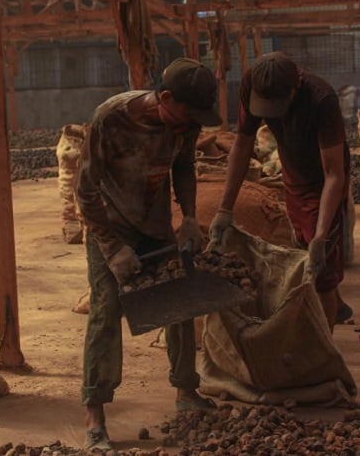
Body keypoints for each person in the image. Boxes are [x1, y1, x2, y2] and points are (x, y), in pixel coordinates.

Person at [76, 58, 220, 451]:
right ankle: (95, 415)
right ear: (166, 97)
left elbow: (185, 167)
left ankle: (186, 393)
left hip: (155, 224)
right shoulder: (111, 119)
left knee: (178, 303)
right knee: (106, 312)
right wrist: (112, 247)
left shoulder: (186, 124)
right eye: (188, 115)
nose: (191, 125)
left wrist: (189, 217)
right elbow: (85, 191)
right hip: (111, 224)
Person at [207, 51, 352, 331]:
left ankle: (324, 349)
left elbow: (334, 173)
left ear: (296, 86)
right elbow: (242, 143)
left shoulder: (321, 99)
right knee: (300, 240)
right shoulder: (252, 84)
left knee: (319, 259)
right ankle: (336, 300)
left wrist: (322, 236)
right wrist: (225, 209)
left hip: (324, 179)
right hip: (292, 172)